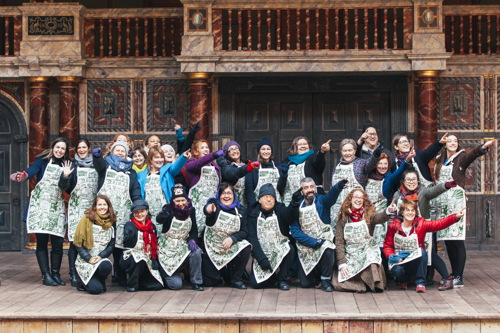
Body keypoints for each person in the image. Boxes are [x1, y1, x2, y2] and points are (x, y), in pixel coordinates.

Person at [434, 136, 496, 287]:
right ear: (445, 144)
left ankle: (459, 276)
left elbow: (472, 154)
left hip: (456, 202)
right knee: (448, 241)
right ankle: (453, 273)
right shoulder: (439, 160)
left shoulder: (461, 157)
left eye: (455, 141)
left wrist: (482, 148)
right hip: (443, 204)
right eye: (450, 141)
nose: (453, 143)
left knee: (457, 240)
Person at [10, 137, 69, 286]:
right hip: (41, 207)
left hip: (56, 208)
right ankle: (46, 275)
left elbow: (66, 186)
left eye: (63, 148)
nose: (60, 150)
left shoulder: (67, 164)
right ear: (53, 147)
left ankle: (55, 274)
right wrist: (23, 175)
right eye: (58, 147)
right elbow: (32, 171)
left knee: (57, 243)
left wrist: (67, 175)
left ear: (65, 151)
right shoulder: (42, 160)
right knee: (42, 243)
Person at [392, 169, 457, 290]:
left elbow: (433, 191)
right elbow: (393, 211)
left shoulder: (423, 193)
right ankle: (404, 279)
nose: (412, 182)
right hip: (405, 231)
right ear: (403, 181)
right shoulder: (397, 195)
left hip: (423, 229)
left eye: (414, 179)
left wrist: (446, 185)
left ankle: (447, 278)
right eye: (409, 179)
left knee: (430, 255)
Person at [383, 199, 465, 293]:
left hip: (415, 262)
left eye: (412, 210)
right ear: (402, 213)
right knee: (397, 270)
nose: (410, 213)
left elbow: (439, 224)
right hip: (401, 260)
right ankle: (401, 281)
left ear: (415, 213)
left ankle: (420, 282)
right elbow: (387, 245)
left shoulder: (421, 224)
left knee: (422, 252)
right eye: (407, 210)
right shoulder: (393, 226)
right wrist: (391, 256)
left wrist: (455, 217)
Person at [93, 140, 141, 286]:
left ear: (126, 153)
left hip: (123, 213)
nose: (120, 152)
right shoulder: (105, 165)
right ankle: (98, 274)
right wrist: (96, 156)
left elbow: (135, 191)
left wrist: (138, 204)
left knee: (120, 246)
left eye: (123, 151)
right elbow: (98, 164)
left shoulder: (131, 172)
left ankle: (119, 275)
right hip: (104, 212)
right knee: (102, 243)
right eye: (117, 150)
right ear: (112, 151)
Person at [289, 177, 347, 292]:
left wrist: (339, 186)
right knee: (305, 284)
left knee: (328, 247)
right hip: (306, 246)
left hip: (323, 243)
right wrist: (313, 242)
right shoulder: (296, 207)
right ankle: (316, 275)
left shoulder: (322, 201)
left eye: (311, 187)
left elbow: (331, 197)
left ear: (315, 188)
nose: (309, 190)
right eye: (306, 188)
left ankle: (325, 279)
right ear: (301, 191)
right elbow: (295, 231)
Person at [333, 189, 396, 292]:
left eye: (361, 198)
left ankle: (374, 284)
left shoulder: (369, 215)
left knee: (372, 261)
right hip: (351, 251)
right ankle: (360, 285)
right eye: (355, 197)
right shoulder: (343, 219)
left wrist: (388, 211)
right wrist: (342, 262)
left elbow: (379, 218)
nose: (358, 200)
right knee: (340, 279)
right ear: (350, 200)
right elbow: (339, 242)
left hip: (366, 249)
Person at [58, 138, 99, 287]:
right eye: (79, 148)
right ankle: (73, 274)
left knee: (91, 241)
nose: (81, 150)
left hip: (93, 209)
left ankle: (89, 271)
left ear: (89, 148)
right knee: (75, 243)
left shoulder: (96, 164)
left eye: (84, 147)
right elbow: (64, 187)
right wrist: (65, 176)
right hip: (76, 208)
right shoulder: (72, 165)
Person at [247, 184, 298, 290]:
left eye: (272, 197)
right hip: (261, 252)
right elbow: (252, 237)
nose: (269, 200)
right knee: (256, 284)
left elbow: (289, 215)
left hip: (278, 249)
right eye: (266, 197)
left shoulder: (281, 209)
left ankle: (282, 280)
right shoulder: (252, 212)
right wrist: (261, 259)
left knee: (290, 249)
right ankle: (273, 277)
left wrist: (294, 204)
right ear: (260, 200)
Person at [202, 183, 252, 289]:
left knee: (246, 246)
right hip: (212, 247)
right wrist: (209, 209)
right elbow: (207, 209)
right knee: (210, 281)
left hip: (229, 245)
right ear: (219, 195)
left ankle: (236, 278)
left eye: (229, 193)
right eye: (223, 193)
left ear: (234, 195)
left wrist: (232, 239)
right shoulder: (214, 204)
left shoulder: (241, 210)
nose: (226, 196)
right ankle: (222, 271)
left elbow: (245, 231)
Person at [156, 185, 204, 291]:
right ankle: (164, 274)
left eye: (183, 200)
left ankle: (196, 281)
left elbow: (194, 230)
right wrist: (163, 215)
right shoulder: (168, 208)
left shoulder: (191, 210)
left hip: (182, 244)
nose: (181, 203)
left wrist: (192, 239)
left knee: (196, 252)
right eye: (177, 200)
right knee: (176, 285)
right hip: (167, 248)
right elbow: (159, 219)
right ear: (173, 201)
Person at [330, 138, 381, 232]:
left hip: (355, 209)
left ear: (354, 151)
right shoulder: (337, 166)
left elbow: (371, 163)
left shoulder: (361, 163)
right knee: (338, 235)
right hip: (337, 209)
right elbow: (331, 187)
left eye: (350, 150)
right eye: (345, 150)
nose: (347, 153)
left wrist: (376, 154)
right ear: (341, 152)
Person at [137, 147, 190, 234]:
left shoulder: (168, 171)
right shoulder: (141, 174)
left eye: (161, 157)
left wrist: (183, 157)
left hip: (165, 211)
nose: (160, 160)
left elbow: (177, 166)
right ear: (150, 159)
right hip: (148, 212)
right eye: (156, 157)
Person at [73, 195, 115, 294]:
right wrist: (89, 258)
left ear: (108, 207)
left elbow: (111, 245)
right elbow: (78, 244)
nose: (102, 207)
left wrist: (101, 256)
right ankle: (81, 281)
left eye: (105, 205)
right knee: (96, 290)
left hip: (99, 259)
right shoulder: (86, 219)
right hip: (86, 260)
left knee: (107, 266)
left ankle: (100, 279)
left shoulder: (111, 221)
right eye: (99, 204)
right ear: (95, 206)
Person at [121, 200, 163, 292]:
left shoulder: (152, 226)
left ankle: (141, 282)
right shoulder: (130, 224)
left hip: (148, 256)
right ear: (133, 214)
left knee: (157, 285)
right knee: (139, 259)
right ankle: (132, 284)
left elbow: (154, 244)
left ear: (147, 211)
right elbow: (127, 240)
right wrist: (129, 234)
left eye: (142, 211)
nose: (139, 214)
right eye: (137, 212)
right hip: (132, 257)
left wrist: (154, 259)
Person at [184, 140, 224, 236]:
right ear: (196, 152)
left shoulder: (215, 166)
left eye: (207, 147)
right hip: (197, 203)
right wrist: (213, 155)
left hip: (211, 202)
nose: (205, 149)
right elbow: (197, 164)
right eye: (202, 148)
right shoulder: (191, 163)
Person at [282, 136, 330, 203]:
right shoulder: (287, 161)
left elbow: (318, 161)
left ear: (309, 146)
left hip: (313, 198)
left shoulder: (313, 156)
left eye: (305, 144)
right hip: (294, 199)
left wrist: (322, 152)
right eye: (300, 144)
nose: (303, 146)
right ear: (295, 147)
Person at [245, 137, 287, 207]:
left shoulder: (278, 167)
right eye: (263, 149)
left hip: (276, 205)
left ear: (271, 151)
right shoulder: (253, 167)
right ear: (259, 151)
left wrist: (284, 176)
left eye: (268, 149)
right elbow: (249, 191)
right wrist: (253, 207)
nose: (266, 151)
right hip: (258, 206)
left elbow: (281, 188)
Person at [217, 140, 259, 207]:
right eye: (231, 150)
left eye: (236, 148)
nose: (234, 151)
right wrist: (247, 168)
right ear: (227, 153)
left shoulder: (248, 164)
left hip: (247, 206)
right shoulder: (226, 167)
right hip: (231, 205)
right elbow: (235, 172)